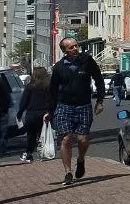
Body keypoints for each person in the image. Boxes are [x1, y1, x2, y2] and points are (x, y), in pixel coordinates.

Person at [46, 38, 105, 185]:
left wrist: (99, 101)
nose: (75, 49)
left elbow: (99, 79)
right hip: (64, 106)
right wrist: (50, 111)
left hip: (83, 105)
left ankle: (80, 159)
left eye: (75, 46)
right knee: (66, 138)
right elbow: (53, 90)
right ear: (64, 51)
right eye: (71, 47)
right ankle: (68, 172)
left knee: (82, 139)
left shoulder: (87, 61)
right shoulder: (59, 67)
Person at [17, 67, 51, 162]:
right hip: (44, 113)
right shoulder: (47, 87)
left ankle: (29, 153)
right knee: (43, 134)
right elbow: (51, 100)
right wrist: (50, 111)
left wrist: (20, 112)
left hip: (32, 113)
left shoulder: (29, 87)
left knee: (31, 135)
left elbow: (24, 101)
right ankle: (43, 153)